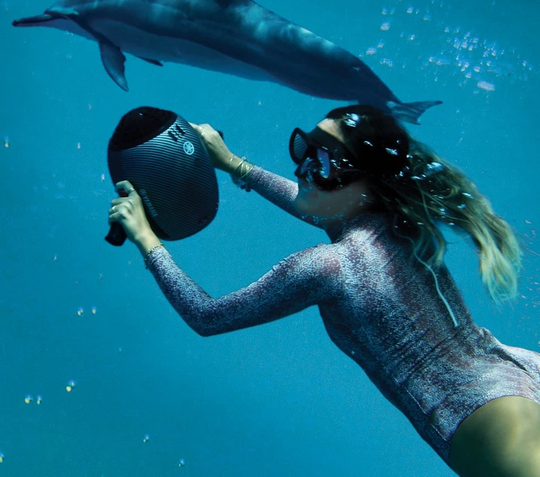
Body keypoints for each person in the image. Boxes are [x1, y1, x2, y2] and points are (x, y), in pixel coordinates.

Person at [108, 105, 540, 476]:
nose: (304, 170)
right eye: (305, 150)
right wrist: (234, 163)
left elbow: (207, 316)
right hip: (515, 374)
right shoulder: (397, 220)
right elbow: (323, 207)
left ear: (366, 182)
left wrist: (148, 240)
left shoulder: (328, 266)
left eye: (325, 163)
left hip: (487, 421)